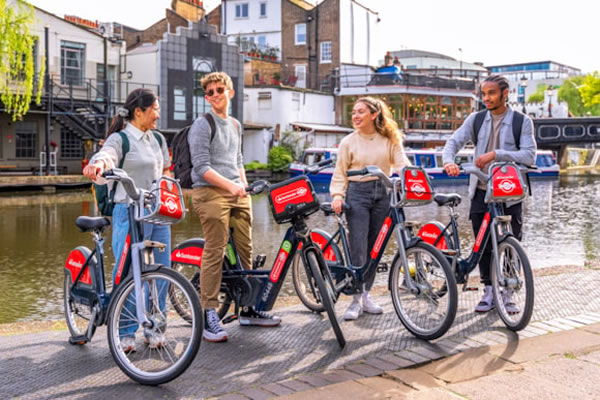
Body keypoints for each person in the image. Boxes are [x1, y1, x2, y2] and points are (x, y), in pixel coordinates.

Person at [188, 71, 280, 343]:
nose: (215, 95)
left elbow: (238, 159)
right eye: (210, 92)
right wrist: (230, 187)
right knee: (215, 248)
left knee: (246, 248)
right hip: (209, 192)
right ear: (207, 98)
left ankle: (249, 308)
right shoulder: (202, 124)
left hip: (237, 192)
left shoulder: (236, 125)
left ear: (230, 92)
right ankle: (208, 314)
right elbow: (201, 167)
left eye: (220, 90)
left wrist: (244, 187)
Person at [83, 88, 171, 352]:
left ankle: (155, 327)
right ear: (138, 112)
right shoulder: (121, 140)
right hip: (128, 211)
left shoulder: (157, 138)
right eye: (154, 108)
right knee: (128, 273)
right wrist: (98, 165)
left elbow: (165, 170)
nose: (158, 114)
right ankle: (126, 331)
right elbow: (106, 155)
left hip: (157, 212)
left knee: (161, 272)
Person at [442, 74, 536, 313]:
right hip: (481, 191)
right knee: (482, 245)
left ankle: (508, 291)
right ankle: (489, 290)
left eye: (491, 93)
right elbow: (454, 141)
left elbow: (529, 156)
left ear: (505, 94)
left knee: (511, 243)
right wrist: (448, 161)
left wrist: (497, 154)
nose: (486, 98)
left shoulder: (521, 122)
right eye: (483, 94)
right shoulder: (476, 119)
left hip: (510, 193)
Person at [330, 96, 410, 320]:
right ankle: (355, 300)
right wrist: (337, 195)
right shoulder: (349, 142)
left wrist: (411, 178)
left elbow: (402, 164)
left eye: (360, 112)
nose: (355, 116)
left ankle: (366, 295)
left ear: (374, 115)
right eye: (354, 112)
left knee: (376, 247)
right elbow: (340, 173)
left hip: (383, 193)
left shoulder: (390, 139)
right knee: (358, 246)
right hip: (357, 194)